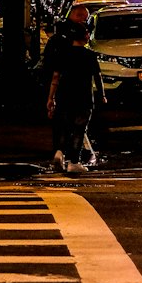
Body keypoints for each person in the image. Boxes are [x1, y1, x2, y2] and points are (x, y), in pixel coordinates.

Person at [46, 15, 105, 175]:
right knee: (79, 128)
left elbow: (55, 77)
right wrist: (102, 95)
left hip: (64, 94)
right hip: (83, 96)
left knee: (63, 126)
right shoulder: (90, 56)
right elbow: (97, 77)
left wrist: (50, 98)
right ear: (85, 37)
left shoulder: (63, 53)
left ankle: (59, 152)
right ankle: (73, 161)